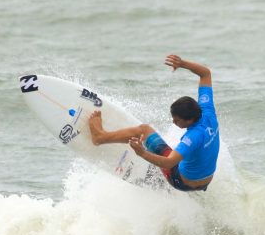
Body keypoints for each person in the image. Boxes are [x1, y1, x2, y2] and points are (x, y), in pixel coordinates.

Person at [88, 54, 220, 192]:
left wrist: (142, 153)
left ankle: (100, 137)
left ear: (189, 120)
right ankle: (158, 176)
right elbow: (205, 73)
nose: (173, 122)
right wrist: (182, 63)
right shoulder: (207, 111)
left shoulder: (192, 138)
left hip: (181, 181)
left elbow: (169, 163)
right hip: (205, 181)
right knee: (176, 154)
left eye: (177, 120)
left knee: (144, 130)